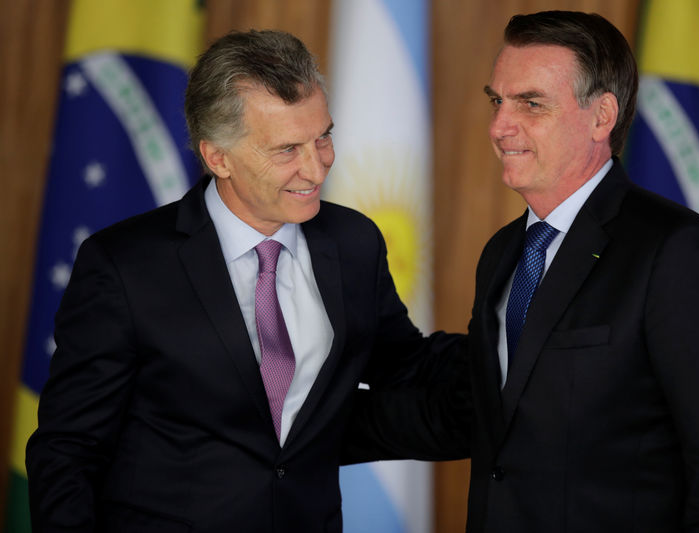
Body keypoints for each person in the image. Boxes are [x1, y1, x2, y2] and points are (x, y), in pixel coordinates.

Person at [347, 10, 699, 533]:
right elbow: (489, 415)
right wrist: (283, 430)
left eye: (531, 103)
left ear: (601, 117)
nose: (500, 126)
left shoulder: (678, 252)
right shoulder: (504, 252)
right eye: (497, 101)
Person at [25, 29, 463, 533]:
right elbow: (68, 449)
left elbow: (403, 363)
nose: (316, 167)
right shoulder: (124, 265)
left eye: (323, 136)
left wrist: (519, 347)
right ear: (218, 158)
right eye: (286, 149)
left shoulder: (353, 241)